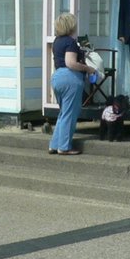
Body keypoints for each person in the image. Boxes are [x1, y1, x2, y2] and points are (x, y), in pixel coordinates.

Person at [49, 12, 93, 155]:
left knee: (63, 113)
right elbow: (70, 63)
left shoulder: (57, 41)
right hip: (70, 79)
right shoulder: (70, 42)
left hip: (57, 77)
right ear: (71, 26)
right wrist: (87, 68)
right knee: (70, 114)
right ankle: (64, 147)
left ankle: (54, 145)